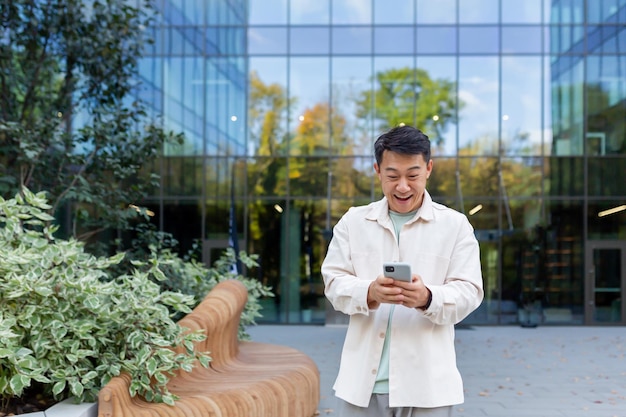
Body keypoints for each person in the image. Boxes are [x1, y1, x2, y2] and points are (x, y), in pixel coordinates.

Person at [321, 125, 484, 417]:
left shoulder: (455, 225)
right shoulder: (353, 222)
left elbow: (470, 292)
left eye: (413, 175)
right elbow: (333, 283)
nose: (403, 186)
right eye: (393, 176)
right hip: (362, 386)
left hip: (428, 388)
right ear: (377, 170)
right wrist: (369, 291)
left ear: (429, 169)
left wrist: (427, 297)